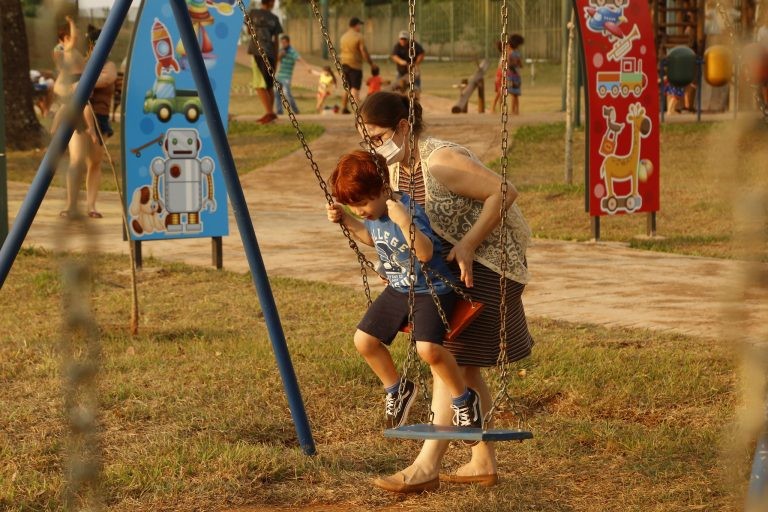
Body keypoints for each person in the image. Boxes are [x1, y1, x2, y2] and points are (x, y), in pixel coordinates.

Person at [358, 92, 533, 493]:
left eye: (379, 136)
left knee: (448, 357)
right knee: (463, 365)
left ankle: (426, 466)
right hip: (450, 268)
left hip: (490, 264)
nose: (374, 147)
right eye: (368, 139)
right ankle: (481, 461)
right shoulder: (400, 170)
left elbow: (504, 192)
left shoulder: (439, 161)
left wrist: (469, 243)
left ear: (403, 127)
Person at [327, 150, 483, 440]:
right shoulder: (373, 212)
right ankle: (397, 388)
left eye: (361, 203)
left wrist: (404, 223)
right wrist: (346, 221)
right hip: (399, 288)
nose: (360, 210)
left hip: (431, 290)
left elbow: (424, 254)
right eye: (353, 206)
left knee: (429, 350)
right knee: (364, 341)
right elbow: (371, 238)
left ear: (383, 189)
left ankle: (463, 399)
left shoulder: (407, 211)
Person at [51, 16, 101, 219]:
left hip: (88, 108)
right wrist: (71, 22)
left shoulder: (77, 55)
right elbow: (60, 86)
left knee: (94, 162)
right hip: (75, 107)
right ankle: (72, 205)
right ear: (64, 38)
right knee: (77, 160)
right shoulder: (66, 52)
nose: (76, 37)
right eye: (71, 36)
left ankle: (90, 205)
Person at [247, 0, 283, 124]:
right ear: (272, 2)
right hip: (271, 54)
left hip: (257, 52)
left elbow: (248, 31)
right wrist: (276, 58)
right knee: (268, 85)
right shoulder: (274, 18)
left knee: (259, 84)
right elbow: (276, 41)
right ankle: (270, 114)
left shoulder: (253, 13)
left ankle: (269, 113)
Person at [339, 17, 374, 114]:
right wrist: (371, 63)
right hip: (355, 65)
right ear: (356, 25)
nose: (360, 27)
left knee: (347, 87)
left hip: (344, 64)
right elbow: (363, 51)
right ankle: (358, 110)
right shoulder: (359, 36)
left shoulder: (343, 37)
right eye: (359, 25)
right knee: (355, 88)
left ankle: (344, 107)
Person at [274, 34, 308, 115]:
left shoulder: (292, 51)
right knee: (276, 93)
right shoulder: (281, 50)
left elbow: (299, 58)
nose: (283, 44)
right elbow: (277, 60)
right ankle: (279, 111)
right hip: (279, 76)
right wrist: (280, 55)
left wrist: (307, 67)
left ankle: (296, 111)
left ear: (288, 42)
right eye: (282, 43)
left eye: (284, 42)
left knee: (287, 94)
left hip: (287, 77)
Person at [390, 30, 425, 98]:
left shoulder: (413, 45)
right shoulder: (397, 46)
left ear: (408, 39)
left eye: (405, 39)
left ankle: (416, 100)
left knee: (415, 88)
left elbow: (421, 54)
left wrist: (416, 63)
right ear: (399, 39)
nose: (403, 41)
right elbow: (394, 56)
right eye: (401, 39)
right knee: (399, 88)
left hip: (413, 70)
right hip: (401, 71)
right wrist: (401, 61)